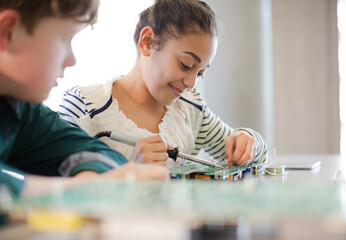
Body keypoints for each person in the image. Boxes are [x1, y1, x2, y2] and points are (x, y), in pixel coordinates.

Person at [59, 0, 268, 168]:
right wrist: (129, 173)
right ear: (147, 42)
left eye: (201, 73)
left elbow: (257, 158)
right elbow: (57, 185)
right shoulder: (84, 107)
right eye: (186, 65)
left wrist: (249, 141)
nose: (191, 83)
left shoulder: (191, 110)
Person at [0, 0, 169, 199]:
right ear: (8, 32)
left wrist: (95, 181)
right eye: (65, 38)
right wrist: (89, 187)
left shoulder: (19, 109)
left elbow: (101, 154)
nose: (72, 60)